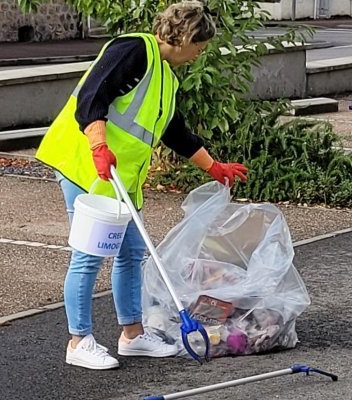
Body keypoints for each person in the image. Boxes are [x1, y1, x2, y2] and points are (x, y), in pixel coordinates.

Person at [35, 2, 248, 370]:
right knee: (88, 257)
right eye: (200, 45)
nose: (201, 54)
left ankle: (132, 337)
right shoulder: (133, 51)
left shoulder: (166, 77)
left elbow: (174, 131)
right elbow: (91, 99)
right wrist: (99, 145)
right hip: (84, 165)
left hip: (121, 179)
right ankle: (78, 341)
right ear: (183, 37)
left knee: (132, 253)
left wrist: (213, 167)